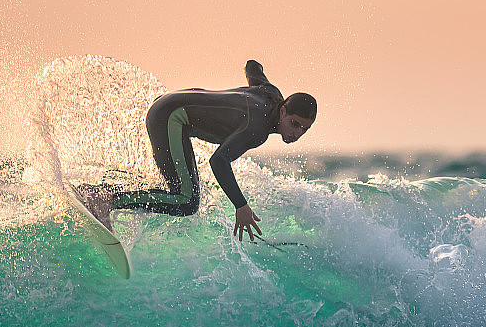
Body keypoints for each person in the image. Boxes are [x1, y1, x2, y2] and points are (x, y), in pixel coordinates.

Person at [77, 60, 316, 241]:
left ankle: (105, 188)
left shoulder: (271, 93)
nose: (296, 134)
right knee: (186, 201)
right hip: (170, 116)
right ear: (283, 111)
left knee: (180, 189)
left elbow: (253, 66)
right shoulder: (257, 129)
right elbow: (219, 162)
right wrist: (240, 205)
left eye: (304, 130)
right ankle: (106, 198)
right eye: (294, 124)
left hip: (171, 105)